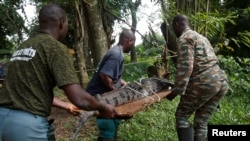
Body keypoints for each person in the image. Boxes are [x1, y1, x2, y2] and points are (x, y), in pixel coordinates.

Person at [0, 3, 117, 141]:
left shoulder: (23, 47)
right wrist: (102, 107)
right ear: (62, 23)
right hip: (26, 127)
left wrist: (65, 105)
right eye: (67, 22)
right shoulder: (55, 47)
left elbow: (29, 91)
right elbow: (79, 98)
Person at [169, 14, 229, 141]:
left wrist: (176, 91)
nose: (174, 31)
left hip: (205, 82)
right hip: (221, 82)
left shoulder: (185, 38)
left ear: (177, 25)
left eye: (173, 28)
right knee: (201, 122)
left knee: (182, 115)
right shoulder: (201, 37)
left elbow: (186, 67)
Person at [86, 29, 136, 141]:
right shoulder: (117, 55)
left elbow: (114, 77)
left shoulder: (115, 52)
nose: (132, 46)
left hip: (102, 96)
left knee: (114, 122)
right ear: (129, 41)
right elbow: (104, 75)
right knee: (108, 129)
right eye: (133, 43)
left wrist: (127, 84)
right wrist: (115, 91)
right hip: (99, 97)